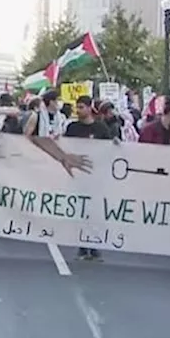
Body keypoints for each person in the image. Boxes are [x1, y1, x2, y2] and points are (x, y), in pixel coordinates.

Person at [63, 95, 115, 260]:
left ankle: (94, 245)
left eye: (81, 107)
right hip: (78, 176)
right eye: (77, 107)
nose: (78, 111)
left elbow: (109, 149)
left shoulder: (101, 128)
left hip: (95, 176)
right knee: (81, 211)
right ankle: (82, 245)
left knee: (94, 212)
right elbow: (65, 146)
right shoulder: (72, 127)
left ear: (89, 108)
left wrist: (116, 145)